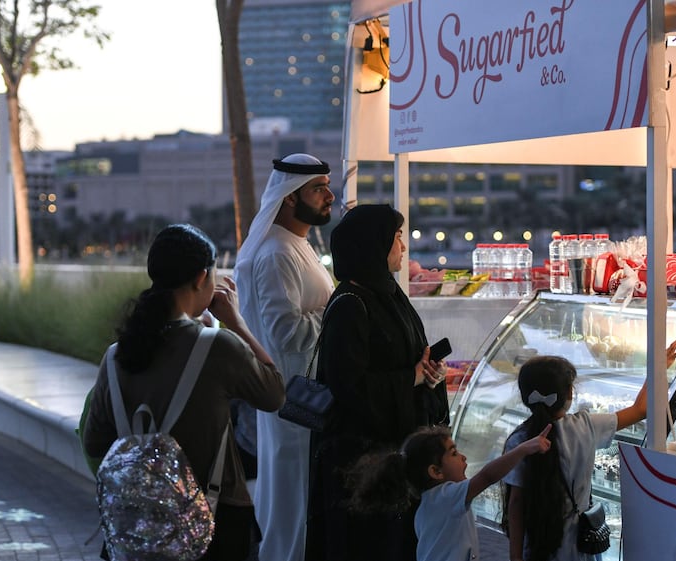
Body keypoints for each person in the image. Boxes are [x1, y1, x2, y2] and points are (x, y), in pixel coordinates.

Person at [83, 223, 286, 561]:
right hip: (216, 524)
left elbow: (94, 442)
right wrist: (236, 322)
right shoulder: (218, 346)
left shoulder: (116, 354)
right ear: (200, 278)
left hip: (136, 530)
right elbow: (274, 392)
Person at [306, 204, 451, 561]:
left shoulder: (388, 294)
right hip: (362, 466)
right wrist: (412, 377)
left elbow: (410, 356)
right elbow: (348, 386)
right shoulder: (350, 305)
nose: (402, 247)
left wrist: (431, 375)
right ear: (374, 245)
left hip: (392, 457)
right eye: (396, 238)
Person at [233, 153, 336, 561]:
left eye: (327, 185)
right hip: (295, 398)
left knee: (296, 492)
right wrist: (338, 313)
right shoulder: (276, 253)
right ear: (290, 197)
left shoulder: (296, 244)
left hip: (301, 394)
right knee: (293, 493)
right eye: (318, 188)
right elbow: (285, 333)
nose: (329, 195)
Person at [503, 339, 676, 561]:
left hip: (539, 545)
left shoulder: (519, 441)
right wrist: (658, 368)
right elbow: (640, 410)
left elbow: (516, 504)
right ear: (569, 394)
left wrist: (515, 557)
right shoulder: (586, 426)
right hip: (580, 543)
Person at [346, 424, 552, 561]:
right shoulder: (446, 496)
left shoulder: (428, 504)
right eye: (454, 453)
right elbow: (487, 477)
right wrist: (524, 448)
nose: (463, 457)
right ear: (435, 472)